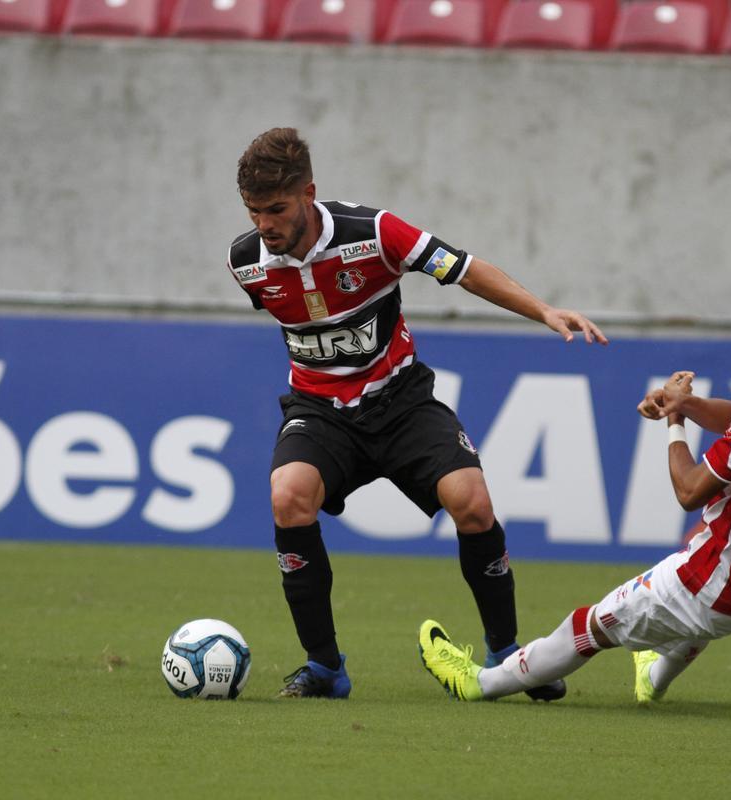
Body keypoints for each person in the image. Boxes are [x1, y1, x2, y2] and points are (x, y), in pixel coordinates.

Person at [228, 127, 609, 699]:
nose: (265, 226)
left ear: (310, 192)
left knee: (472, 502)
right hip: (320, 411)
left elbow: (465, 268)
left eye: (276, 210)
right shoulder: (246, 262)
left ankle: (507, 659)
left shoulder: (376, 233)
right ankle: (326, 668)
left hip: (402, 402)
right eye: (254, 212)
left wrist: (543, 310)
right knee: (288, 495)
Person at [418, 298, 731, 703]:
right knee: (694, 621)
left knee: (591, 625)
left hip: (709, 578)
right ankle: (653, 679)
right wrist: (686, 403)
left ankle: (481, 683)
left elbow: (689, 490)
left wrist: (674, 422)